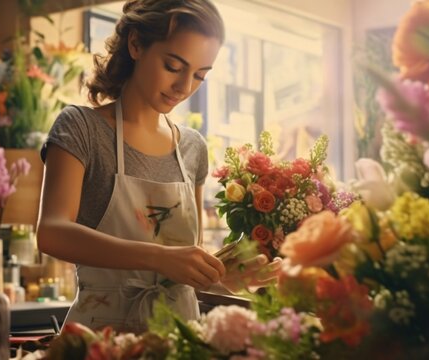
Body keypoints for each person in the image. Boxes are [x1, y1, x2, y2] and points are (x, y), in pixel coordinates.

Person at [37, 0, 280, 334]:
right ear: (136, 44)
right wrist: (157, 257)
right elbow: (51, 232)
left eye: (199, 76)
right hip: (99, 338)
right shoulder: (81, 128)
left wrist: (225, 278)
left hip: (179, 340)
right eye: (173, 66)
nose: (184, 87)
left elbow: (182, 279)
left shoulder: (192, 147)